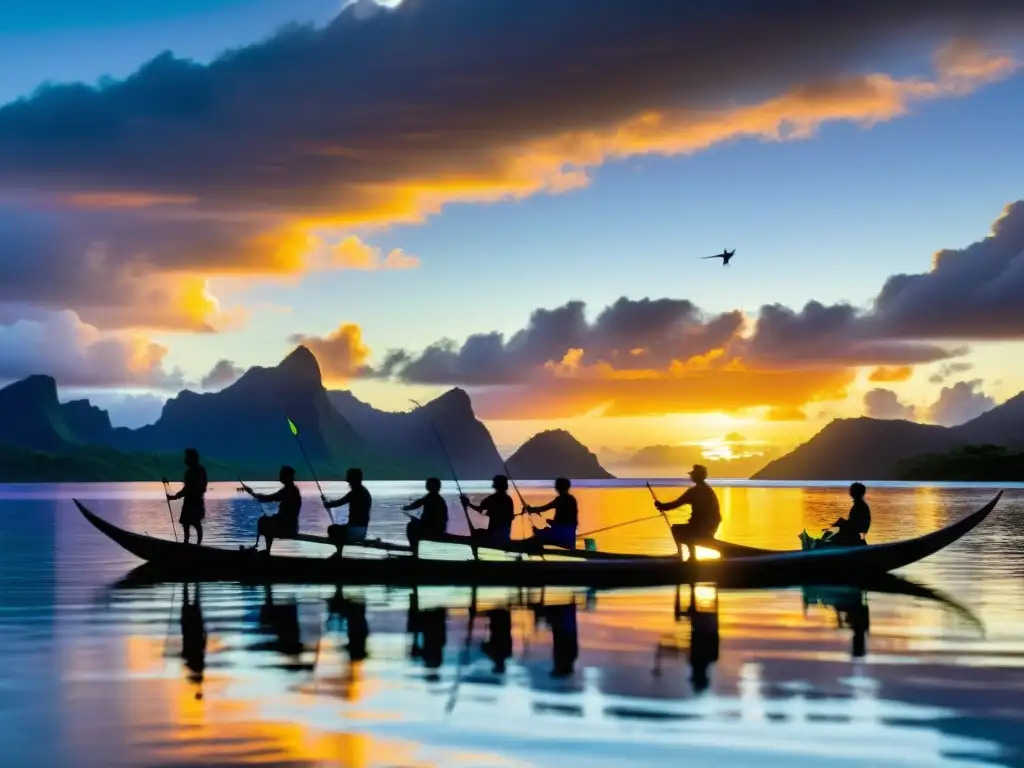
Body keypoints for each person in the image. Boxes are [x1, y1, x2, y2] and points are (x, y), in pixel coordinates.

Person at [654, 464, 721, 557]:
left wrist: (661, 506)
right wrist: (662, 506)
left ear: (696, 476)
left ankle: (686, 555)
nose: (691, 476)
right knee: (684, 529)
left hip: (703, 528)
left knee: (676, 529)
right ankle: (690, 555)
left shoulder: (694, 492)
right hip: (711, 526)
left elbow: (675, 504)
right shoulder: (708, 490)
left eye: (692, 474)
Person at [240, 465, 301, 554]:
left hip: (288, 528)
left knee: (263, 521)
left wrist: (252, 493)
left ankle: (265, 551)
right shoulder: (292, 490)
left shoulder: (288, 491)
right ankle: (266, 550)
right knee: (266, 520)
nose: (280, 476)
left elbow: (270, 498)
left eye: (282, 474)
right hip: (291, 526)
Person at [165, 448, 208, 545]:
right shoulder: (196, 471)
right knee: (188, 523)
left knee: (193, 523)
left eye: (187, 458)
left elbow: (187, 489)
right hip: (193, 501)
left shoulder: (195, 471)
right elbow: (188, 489)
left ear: (192, 459)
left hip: (193, 502)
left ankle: (193, 544)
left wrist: (175, 497)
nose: (185, 460)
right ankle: (190, 543)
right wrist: (175, 497)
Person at [323, 468, 372, 552]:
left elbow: (339, 502)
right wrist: (328, 503)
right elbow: (340, 501)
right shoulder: (361, 491)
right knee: (334, 529)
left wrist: (328, 504)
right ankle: (339, 553)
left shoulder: (357, 492)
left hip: (357, 530)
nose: (347, 480)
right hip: (360, 529)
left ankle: (339, 553)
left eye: (349, 477)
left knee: (332, 529)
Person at [523, 477, 578, 550]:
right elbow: (568, 521)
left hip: (559, 536)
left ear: (558, 488)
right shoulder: (572, 500)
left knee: (536, 536)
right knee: (540, 532)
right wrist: (551, 522)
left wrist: (530, 509)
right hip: (569, 536)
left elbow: (543, 508)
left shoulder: (560, 500)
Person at [460, 475, 515, 545]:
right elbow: (510, 517)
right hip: (504, 536)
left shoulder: (492, 499)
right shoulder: (508, 500)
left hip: (493, 535)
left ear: (495, 485)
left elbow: (480, 509)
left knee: (477, 533)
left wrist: (468, 504)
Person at [404, 477, 449, 551]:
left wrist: (408, 507)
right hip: (438, 528)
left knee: (411, 526)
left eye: (428, 484)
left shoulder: (432, 498)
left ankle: (414, 549)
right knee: (415, 522)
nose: (426, 486)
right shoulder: (437, 498)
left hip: (433, 529)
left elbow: (417, 504)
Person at [829, 482, 871, 546]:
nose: (850, 491)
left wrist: (842, 522)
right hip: (855, 531)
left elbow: (857, 524)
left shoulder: (860, 505)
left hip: (855, 534)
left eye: (852, 490)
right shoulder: (859, 504)